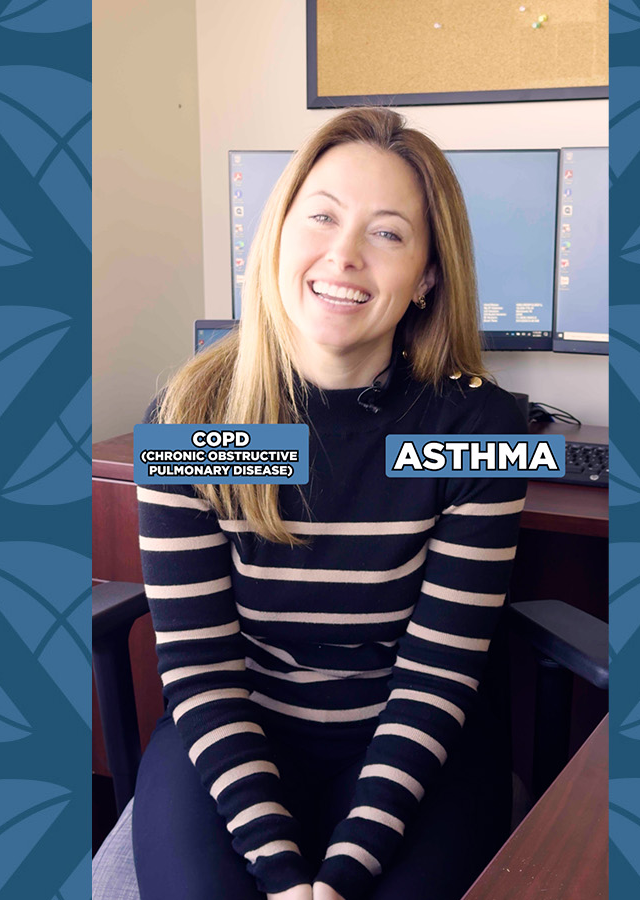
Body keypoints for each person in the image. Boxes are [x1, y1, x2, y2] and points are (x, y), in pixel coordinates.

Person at [132, 107, 526, 900]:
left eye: (387, 233)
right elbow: (202, 669)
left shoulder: (476, 427)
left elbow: (436, 676)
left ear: (426, 275)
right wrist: (280, 871)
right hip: (238, 728)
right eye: (320, 217)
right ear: (276, 234)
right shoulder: (192, 421)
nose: (342, 255)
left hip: (413, 740)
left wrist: (341, 874)